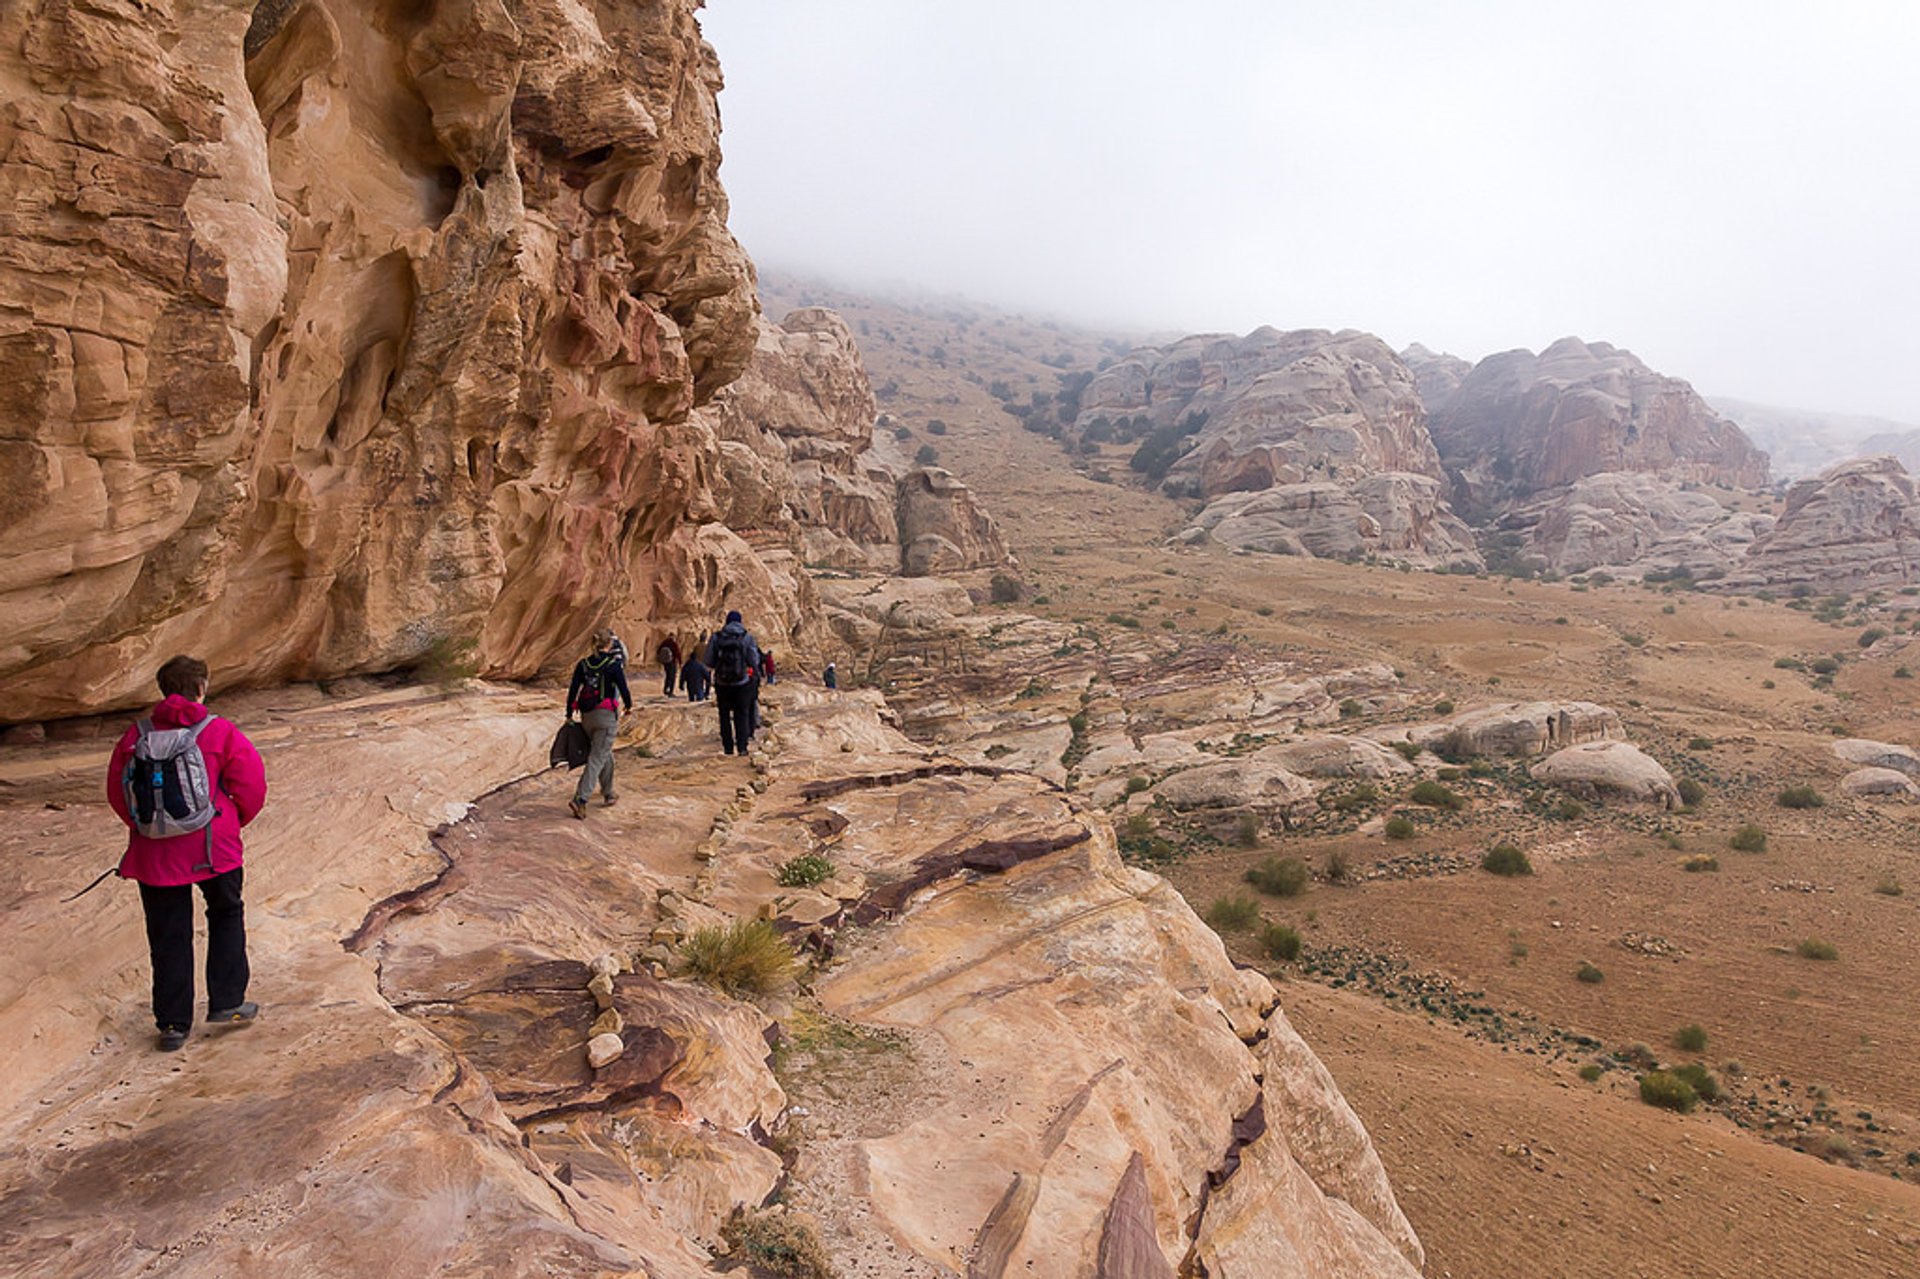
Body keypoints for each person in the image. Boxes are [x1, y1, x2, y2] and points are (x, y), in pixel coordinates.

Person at [107, 655, 267, 1052]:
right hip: (214, 848)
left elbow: (117, 792)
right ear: (201, 687)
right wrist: (228, 821)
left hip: (154, 855)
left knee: (168, 935)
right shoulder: (219, 732)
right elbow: (251, 786)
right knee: (226, 914)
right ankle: (228, 1003)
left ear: (163, 689)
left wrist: (148, 828)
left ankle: (173, 1025)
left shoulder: (135, 735)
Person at [566, 628, 632, 818]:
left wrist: (569, 713)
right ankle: (580, 799)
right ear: (609, 644)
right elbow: (623, 688)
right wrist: (628, 706)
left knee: (603, 752)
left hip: (587, 716)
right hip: (605, 716)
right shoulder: (613, 664)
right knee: (596, 757)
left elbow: (573, 690)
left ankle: (609, 792)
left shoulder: (583, 664)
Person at [705, 610, 762, 756]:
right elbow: (754, 661)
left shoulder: (717, 637)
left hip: (722, 683)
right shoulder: (746, 637)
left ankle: (728, 748)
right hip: (741, 682)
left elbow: (708, 660)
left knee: (724, 715)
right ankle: (742, 747)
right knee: (741, 714)